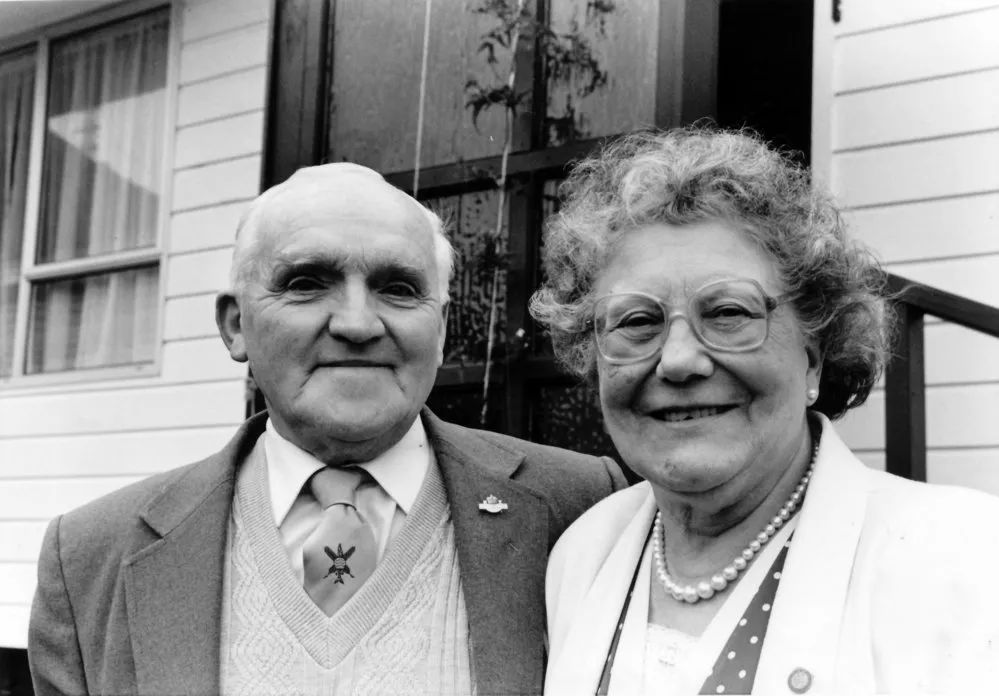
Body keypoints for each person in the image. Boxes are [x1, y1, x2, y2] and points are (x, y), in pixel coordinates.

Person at [28, 163, 626, 696]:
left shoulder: (579, 510)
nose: (358, 323)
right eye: (307, 282)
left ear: (440, 330)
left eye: (398, 288)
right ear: (235, 326)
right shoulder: (88, 559)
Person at [530, 128, 999, 694]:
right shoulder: (581, 555)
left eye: (728, 312)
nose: (678, 361)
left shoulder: (966, 560)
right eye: (637, 322)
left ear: (813, 358)